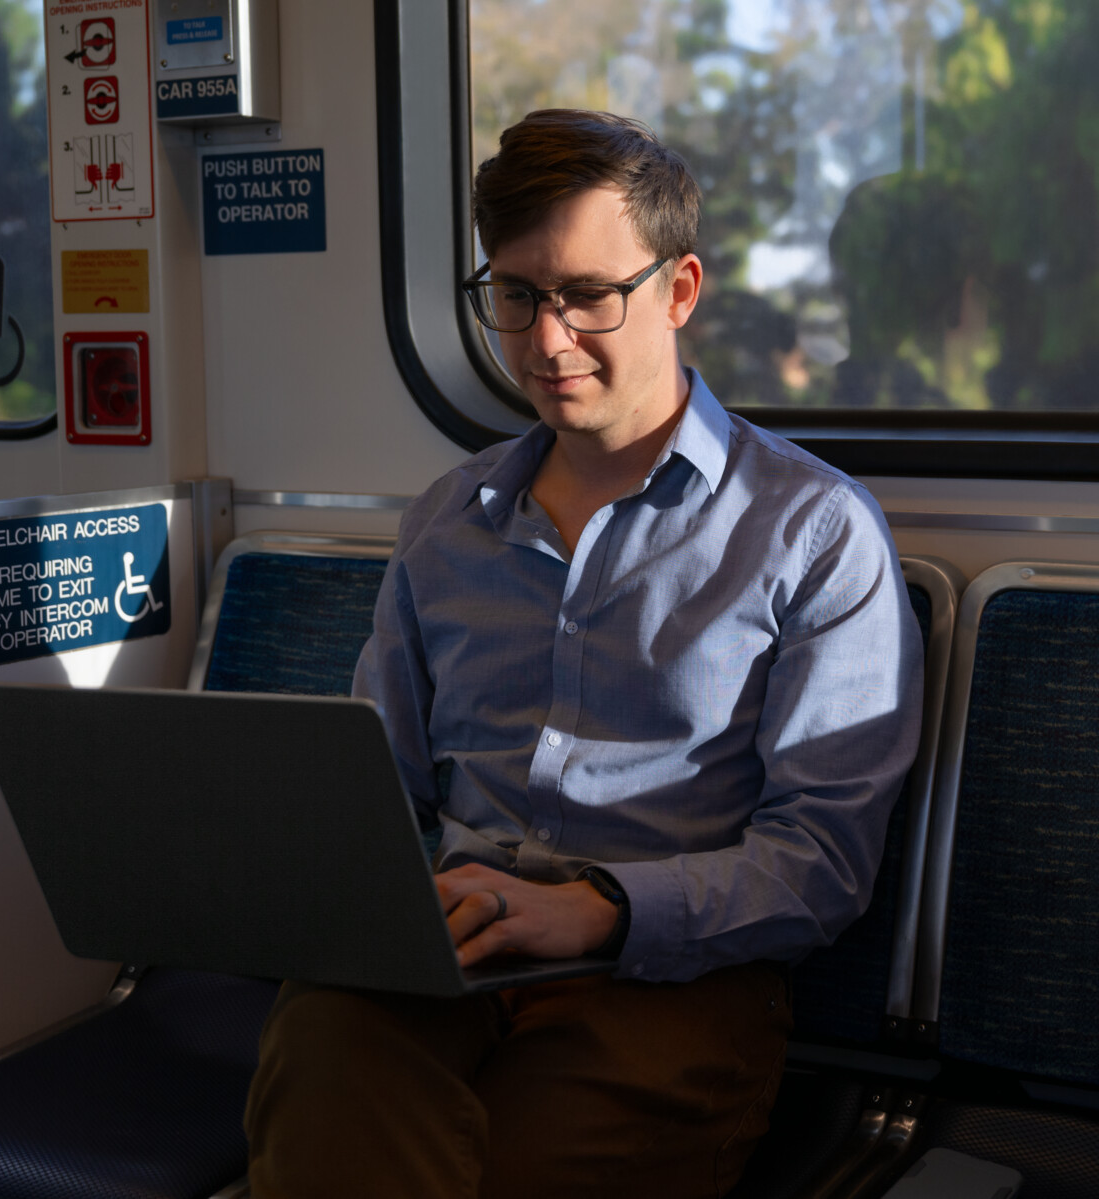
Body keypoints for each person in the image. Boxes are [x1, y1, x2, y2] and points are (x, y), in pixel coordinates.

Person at [244, 108, 923, 1198]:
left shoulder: (810, 530)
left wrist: (605, 903)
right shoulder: (446, 521)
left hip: (667, 976)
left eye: (587, 298)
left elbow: (822, 858)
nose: (546, 342)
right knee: (326, 1097)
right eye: (516, 296)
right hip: (441, 947)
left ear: (679, 291)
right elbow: (381, 786)